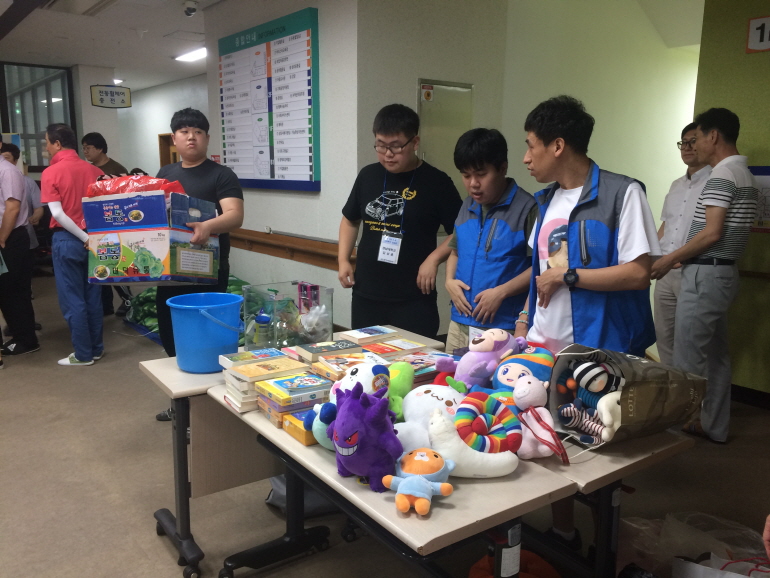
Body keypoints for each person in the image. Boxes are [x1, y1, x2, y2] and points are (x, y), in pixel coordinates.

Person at [517, 95, 660, 551]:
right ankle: (564, 534)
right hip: (545, 345)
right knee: (553, 448)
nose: (526, 158)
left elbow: (639, 273)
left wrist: (569, 276)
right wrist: (523, 321)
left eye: (531, 145)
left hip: (599, 351)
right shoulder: (544, 202)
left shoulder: (622, 194)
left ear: (558, 145)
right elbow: (539, 274)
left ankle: (604, 550)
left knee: (600, 459)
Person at [652, 108, 758, 444]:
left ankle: (673, 432)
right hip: (720, 273)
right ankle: (713, 425)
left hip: (704, 272)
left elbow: (711, 233)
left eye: (696, 138)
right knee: (716, 356)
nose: (693, 146)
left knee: (688, 359)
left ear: (713, 136)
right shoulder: (744, 173)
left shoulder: (722, 174)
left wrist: (670, 259)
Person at [338, 104, 462, 339]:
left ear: (415, 142)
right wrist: (343, 259)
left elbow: (461, 230)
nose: (388, 154)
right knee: (366, 358)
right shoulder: (368, 176)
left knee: (415, 360)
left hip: (413, 298)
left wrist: (434, 259)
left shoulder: (437, 182)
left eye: (395, 146)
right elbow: (349, 220)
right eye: (380, 145)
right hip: (367, 294)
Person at [154, 108, 244, 421]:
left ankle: (208, 413)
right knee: (171, 335)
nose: (191, 137)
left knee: (205, 341)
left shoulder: (221, 174)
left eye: (197, 131)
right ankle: (181, 406)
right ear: (174, 138)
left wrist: (207, 226)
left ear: (206, 137)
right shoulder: (165, 173)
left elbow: (235, 215)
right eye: (184, 131)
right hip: (170, 272)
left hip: (207, 271)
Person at [444, 128, 536, 353]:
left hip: (503, 327)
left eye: (481, 174)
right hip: (460, 322)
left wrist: (502, 291)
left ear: (502, 168)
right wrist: (449, 281)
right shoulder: (467, 205)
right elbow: (455, 251)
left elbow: (540, 267)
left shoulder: (528, 208)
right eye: (466, 176)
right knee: (451, 374)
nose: (473, 183)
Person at [40, 123, 105, 366]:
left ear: (57, 144)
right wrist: (90, 238)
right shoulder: (95, 171)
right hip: (95, 238)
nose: (46, 148)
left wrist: (82, 237)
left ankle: (83, 355)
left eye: (47, 143)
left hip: (68, 239)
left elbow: (58, 214)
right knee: (93, 296)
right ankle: (96, 349)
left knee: (73, 299)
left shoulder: (51, 172)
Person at [653, 124, 711, 366]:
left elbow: (712, 232)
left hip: (693, 270)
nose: (687, 147)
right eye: (683, 142)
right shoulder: (676, 185)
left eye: (693, 141)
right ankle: (671, 386)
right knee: (663, 336)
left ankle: (690, 390)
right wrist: (653, 258)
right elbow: (666, 226)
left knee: (690, 343)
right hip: (665, 271)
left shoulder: (715, 182)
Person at [80, 132, 131, 316]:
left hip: (114, 221)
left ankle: (127, 299)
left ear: (100, 148)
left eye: (88, 148)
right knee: (99, 263)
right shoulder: (87, 169)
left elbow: (126, 195)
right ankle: (106, 305)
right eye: (83, 148)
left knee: (115, 261)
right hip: (94, 221)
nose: (85, 151)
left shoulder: (117, 169)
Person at [0, 139, 39, 357]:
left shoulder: (7, 171)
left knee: (13, 291)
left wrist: (2, 238)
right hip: (5, 236)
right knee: (6, 292)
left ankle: (26, 340)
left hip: (11, 237)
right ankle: (19, 335)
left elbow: (13, 208)